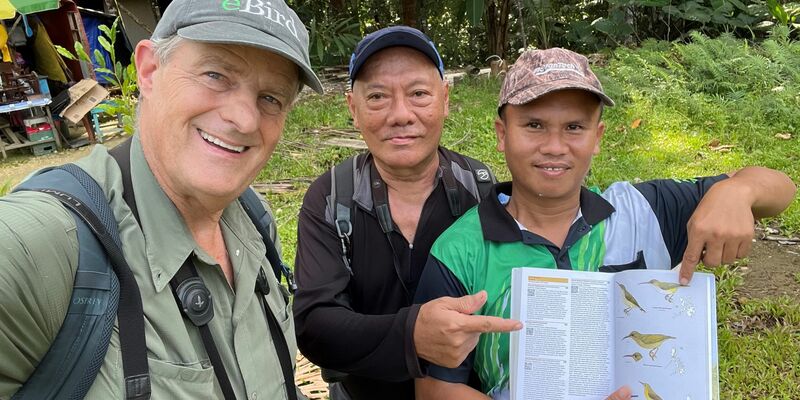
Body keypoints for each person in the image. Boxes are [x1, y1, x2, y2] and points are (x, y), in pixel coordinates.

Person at [413, 47, 797, 399]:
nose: (554, 146)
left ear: (597, 137)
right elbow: (433, 388)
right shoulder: (460, 249)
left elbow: (780, 189)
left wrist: (737, 192)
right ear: (502, 133)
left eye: (574, 127)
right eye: (534, 125)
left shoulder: (643, 210)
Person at [0, 0, 323, 397]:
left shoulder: (254, 222)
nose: (245, 119)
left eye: (271, 98)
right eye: (216, 74)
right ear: (150, 70)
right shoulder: (44, 244)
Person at [292, 26, 522, 400]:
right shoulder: (332, 197)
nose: (400, 115)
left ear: (445, 98)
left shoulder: (478, 189)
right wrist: (412, 336)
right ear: (353, 107)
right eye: (378, 96)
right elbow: (316, 326)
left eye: (418, 94)